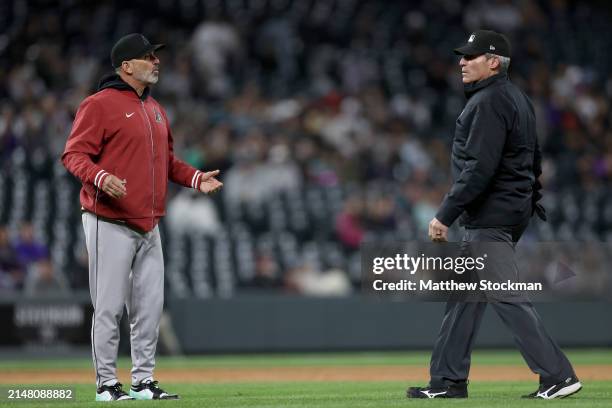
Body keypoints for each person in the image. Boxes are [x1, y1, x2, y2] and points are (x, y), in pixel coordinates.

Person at [407, 30, 581, 400]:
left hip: (491, 214)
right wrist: (524, 202)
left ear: (493, 61)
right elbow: (534, 161)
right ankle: (447, 381)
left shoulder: (488, 101)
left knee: (506, 295)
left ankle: (558, 375)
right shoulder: (517, 99)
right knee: (464, 298)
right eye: (463, 56)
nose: (461, 62)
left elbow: (479, 169)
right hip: (506, 211)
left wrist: (445, 214)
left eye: (470, 57)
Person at [62, 33, 223, 401]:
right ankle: (106, 384)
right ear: (126, 66)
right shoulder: (99, 104)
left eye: (155, 56)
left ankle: (143, 382)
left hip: (149, 224)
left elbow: (166, 163)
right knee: (108, 308)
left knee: (149, 310)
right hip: (109, 220)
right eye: (148, 57)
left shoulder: (154, 109)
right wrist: (100, 176)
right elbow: (73, 154)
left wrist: (196, 178)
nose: (156, 62)